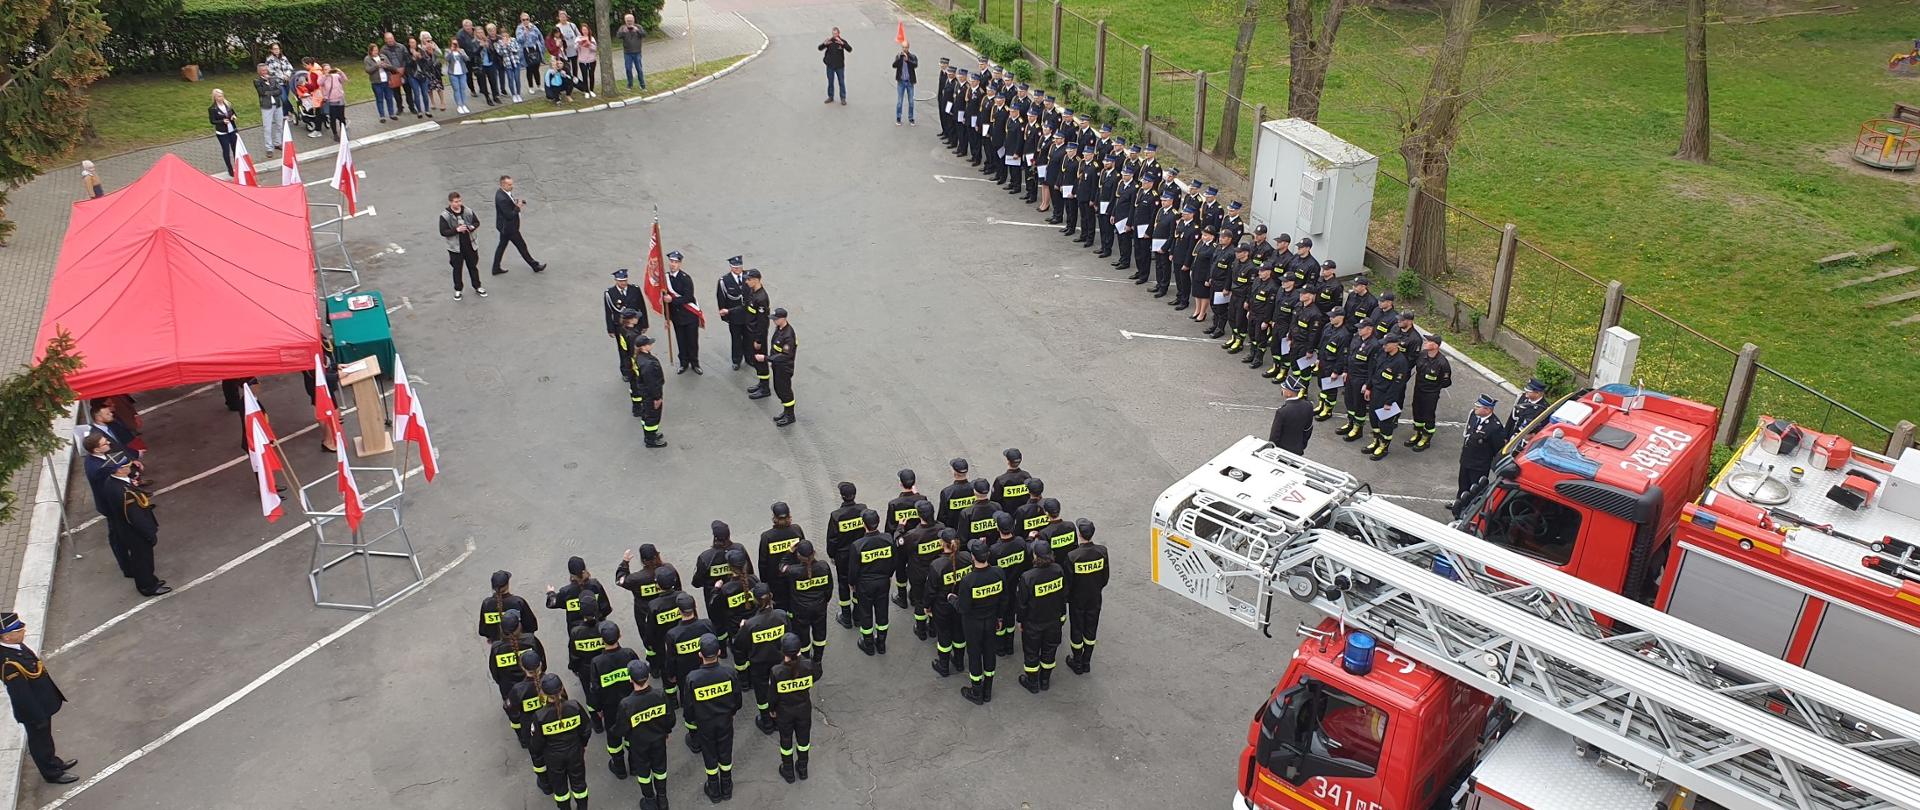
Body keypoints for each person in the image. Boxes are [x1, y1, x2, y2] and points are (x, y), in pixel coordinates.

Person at [0, 613, 76, 784]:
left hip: (41, 703)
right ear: (7, 636)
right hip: (34, 711)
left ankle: (54, 762)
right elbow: (21, 696)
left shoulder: (15, 646)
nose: (24, 631)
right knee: (39, 742)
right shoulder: (8, 663)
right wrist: (37, 717)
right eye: (19, 630)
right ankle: (51, 773)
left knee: (45, 738)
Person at [101, 452, 168, 597]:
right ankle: (148, 587)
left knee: (140, 559)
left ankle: (150, 580)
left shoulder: (111, 482)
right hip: (134, 532)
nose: (130, 466)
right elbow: (136, 518)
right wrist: (149, 533)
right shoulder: (124, 492)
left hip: (125, 529)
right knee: (143, 560)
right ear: (119, 470)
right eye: (126, 465)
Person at [683, 634, 740, 802]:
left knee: (709, 754)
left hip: (705, 723)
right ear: (719, 651)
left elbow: (689, 707)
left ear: (700, 654)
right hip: (725, 721)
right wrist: (732, 712)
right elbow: (737, 698)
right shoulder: (729, 673)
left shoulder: (693, 678)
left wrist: (693, 721)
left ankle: (714, 788)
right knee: (725, 752)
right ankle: (727, 786)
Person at [613, 659, 674, 810]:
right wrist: (665, 732)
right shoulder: (660, 695)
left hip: (639, 746)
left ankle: (650, 800)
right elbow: (670, 719)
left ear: (630, 679)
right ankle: (662, 799)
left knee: (644, 774)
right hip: (659, 741)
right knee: (660, 770)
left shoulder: (627, 704)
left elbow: (621, 729)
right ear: (647, 676)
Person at [528, 672, 592, 810]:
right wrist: (583, 744)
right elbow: (586, 728)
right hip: (575, 751)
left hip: (553, 757)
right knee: (579, 783)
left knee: (560, 788)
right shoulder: (574, 706)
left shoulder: (540, 716)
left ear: (543, 693)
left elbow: (536, 743)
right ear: (562, 689)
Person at [950, 538, 1003, 704]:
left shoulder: (968, 580)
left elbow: (963, 607)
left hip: (973, 624)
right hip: (991, 619)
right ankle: (987, 690)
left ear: (973, 557)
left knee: (974, 656)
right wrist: (1000, 617)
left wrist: (952, 598)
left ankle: (976, 691)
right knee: (989, 653)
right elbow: (1004, 598)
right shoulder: (998, 573)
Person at [731, 583, 787, 733]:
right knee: (780, 688)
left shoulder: (751, 624)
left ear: (755, 601)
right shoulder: (781, 616)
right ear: (771, 597)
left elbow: (738, 644)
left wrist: (742, 628)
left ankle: (767, 722)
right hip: (779, 661)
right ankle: (780, 715)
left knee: (762, 694)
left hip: (759, 664)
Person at [588, 621, 642, 775]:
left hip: (610, 707)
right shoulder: (629, 654)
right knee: (632, 734)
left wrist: (597, 709)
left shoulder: (597, 662)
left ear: (602, 640)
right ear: (620, 635)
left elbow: (595, 689)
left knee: (613, 737)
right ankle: (634, 766)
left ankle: (619, 767)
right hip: (631, 704)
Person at [1015, 540, 1067, 693]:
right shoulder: (1058, 570)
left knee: (1031, 654)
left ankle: (1032, 683)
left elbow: (1022, 604)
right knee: (1049, 651)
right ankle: (1045, 680)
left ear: (1035, 556)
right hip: (1053, 620)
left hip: (1033, 623)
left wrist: (1020, 621)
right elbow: (1063, 595)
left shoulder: (1028, 577)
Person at [768, 634, 815, 784]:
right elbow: (817, 674)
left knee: (786, 741)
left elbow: (773, 695)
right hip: (804, 710)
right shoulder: (808, 666)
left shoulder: (777, 671)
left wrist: (772, 709)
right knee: (803, 741)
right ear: (799, 650)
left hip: (784, 713)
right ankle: (803, 769)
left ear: (783, 651)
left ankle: (788, 771)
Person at [848, 510, 896, 655]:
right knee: (882, 612)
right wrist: (888, 575)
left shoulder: (858, 545)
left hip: (864, 584)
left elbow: (853, 569)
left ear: (864, 524)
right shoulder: (888, 539)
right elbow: (894, 561)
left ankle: (868, 644)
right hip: (883, 581)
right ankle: (881, 644)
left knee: (866, 613)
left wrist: (852, 583)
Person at [779, 540, 832, 669]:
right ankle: (818, 660)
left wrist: (789, 552)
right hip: (819, 607)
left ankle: (806, 659)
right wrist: (823, 602)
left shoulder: (793, 571)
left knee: (803, 635)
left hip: (800, 610)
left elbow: (781, 567)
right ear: (814, 553)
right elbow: (829, 588)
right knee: (820, 635)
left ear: (798, 556)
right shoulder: (823, 567)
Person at [1455, 394, 1507, 517]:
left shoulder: (1495, 427)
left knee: (1475, 490)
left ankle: (1469, 512)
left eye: (1478, 406)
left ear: (1488, 409)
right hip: (1467, 459)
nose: (1475, 408)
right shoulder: (1474, 415)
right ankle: (1459, 504)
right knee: (1463, 485)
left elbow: (1497, 449)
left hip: (1479, 465)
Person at [823, 482, 865, 629]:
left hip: (843, 555)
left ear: (842, 496)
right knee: (858, 582)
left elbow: (832, 539)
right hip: (860, 552)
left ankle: (846, 616)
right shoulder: (863, 509)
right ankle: (858, 615)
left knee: (843, 584)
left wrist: (832, 555)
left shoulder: (836, 516)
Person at [1364, 336, 1412, 461]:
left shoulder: (1401, 362)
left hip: (1387, 396)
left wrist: (1388, 402)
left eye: (1386, 344)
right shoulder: (1383, 354)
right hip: (1376, 391)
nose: (1384, 346)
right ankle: (1376, 441)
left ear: (1395, 345)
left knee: (1385, 424)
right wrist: (1369, 387)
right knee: (1373, 419)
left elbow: (1397, 385)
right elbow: (1374, 372)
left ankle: (1383, 446)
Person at [925, 529, 966, 677]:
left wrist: (927, 606)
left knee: (944, 635)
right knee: (959, 633)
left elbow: (931, 590)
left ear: (942, 543)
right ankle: (959, 662)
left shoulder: (937, 565)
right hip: (960, 604)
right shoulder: (967, 558)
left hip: (942, 607)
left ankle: (943, 666)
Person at [1407, 334, 1454, 451]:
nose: (1425, 342)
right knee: (1417, 411)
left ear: (1435, 346)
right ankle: (1418, 433)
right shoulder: (1422, 355)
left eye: (1429, 341)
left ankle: (1426, 438)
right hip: (1418, 389)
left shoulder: (1442, 363)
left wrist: (1434, 387)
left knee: (1428, 414)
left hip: (1431, 393)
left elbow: (1446, 382)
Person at [493, 175, 547, 275]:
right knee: (522, 246)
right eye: (509, 185)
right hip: (509, 228)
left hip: (504, 228)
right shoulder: (502, 198)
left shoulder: (502, 193)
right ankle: (535, 266)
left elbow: (509, 203)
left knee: (501, 246)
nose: (512, 186)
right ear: (503, 184)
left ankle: (495, 268)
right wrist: (518, 207)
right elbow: (509, 215)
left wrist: (515, 202)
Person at [756, 502, 805, 611]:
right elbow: (803, 551)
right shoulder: (796, 530)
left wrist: (765, 584)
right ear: (789, 516)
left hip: (775, 581)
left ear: (774, 517)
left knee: (780, 608)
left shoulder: (767, 537)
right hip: (795, 575)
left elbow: (763, 563)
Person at [488, 609, 547, 698]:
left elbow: (494, 671)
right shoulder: (531, 640)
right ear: (519, 626)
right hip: (534, 684)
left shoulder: (497, 648)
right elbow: (542, 660)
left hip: (508, 687)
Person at [439, 192, 486, 300]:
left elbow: (476, 222)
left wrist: (471, 227)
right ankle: (458, 289)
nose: (459, 203)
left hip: (470, 245)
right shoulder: (445, 216)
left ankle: (477, 286)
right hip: (455, 248)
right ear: (450, 202)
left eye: (460, 201)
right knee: (457, 269)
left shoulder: (468, 211)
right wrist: (456, 230)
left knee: (473, 267)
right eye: (456, 202)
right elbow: (443, 231)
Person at [662, 251, 701, 374]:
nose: (673, 264)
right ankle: (683, 363)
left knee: (692, 341)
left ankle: (695, 363)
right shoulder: (665, 279)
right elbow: (664, 301)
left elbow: (688, 297)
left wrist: (672, 299)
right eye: (671, 262)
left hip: (689, 316)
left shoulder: (685, 278)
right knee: (681, 341)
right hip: (676, 317)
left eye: (676, 262)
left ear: (680, 264)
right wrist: (666, 319)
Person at [548, 555, 613, 628]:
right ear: (584, 570)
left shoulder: (566, 592)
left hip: (576, 629)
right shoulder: (595, 585)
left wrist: (551, 593)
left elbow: (552, 603)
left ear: (571, 574)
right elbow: (606, 608)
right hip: (597, 626)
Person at [605, 269, 647, 378]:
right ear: (615, 280)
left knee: (637, 348)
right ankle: (626, 372)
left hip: (635, 325)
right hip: (621, 327)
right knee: (624, 350)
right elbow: (609, 312)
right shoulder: (610, 293)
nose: (623, 283)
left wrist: (645, 324)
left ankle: (638, 368)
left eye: (625, 280)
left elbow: (642, 307)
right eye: (620, 281)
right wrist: (610, 329)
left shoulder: (635, 290)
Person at [480, 569, 540, 644]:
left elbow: (483, 630)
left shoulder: (486, 604)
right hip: (521, 644)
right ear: (507, 584)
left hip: (499, 646)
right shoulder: (518, 602)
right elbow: (531, 625)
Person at [629, 335, 667, 448]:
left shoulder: (639, 357)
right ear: (644, 347)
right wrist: (657, 398)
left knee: (647, 415)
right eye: (649, 344)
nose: (651, 345)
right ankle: (650, 439)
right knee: (653, 416)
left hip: (644, 392)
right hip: (651, 394)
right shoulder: (648, 363)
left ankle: (650, 435)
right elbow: (652, 383)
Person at [763, 308, 798, 426]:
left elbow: (785, 356)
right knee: (778, 389)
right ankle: (786, 412)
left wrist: (767, 358)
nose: (774, 321)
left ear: (783, 319)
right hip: (777, 366)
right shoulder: (779, 329)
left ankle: (790, 415)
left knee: (785, 391)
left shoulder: (788, 336)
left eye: (776, 319)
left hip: (784, 368)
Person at [715, 256, 749, 371]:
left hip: (749, 315)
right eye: (735, 267)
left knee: (749, 338)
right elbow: (721, 299)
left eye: (739, 267)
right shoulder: (724, 281)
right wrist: (725, 317)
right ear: (731, 267)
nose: (738, 269)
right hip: (734, 317)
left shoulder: (748, 276)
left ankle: (749, 358)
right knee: (736, 339)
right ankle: (736, 360)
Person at [740, 270, 771, 395]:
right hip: (751, 331)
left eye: (748, 279)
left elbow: (763, 323)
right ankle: (761, 383)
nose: (746, 282)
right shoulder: (753, 292)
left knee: (760, 360)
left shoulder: (762, 298)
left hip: (758, 335)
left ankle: (765, 389)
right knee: (756, 360)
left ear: (756, 280)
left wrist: (758, 340)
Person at [1269, 377, 1314, 455]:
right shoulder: (1308, 405)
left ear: (1289, 393)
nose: (1282, 390)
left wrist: (1272, 450)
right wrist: (1302, 445)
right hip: (1298, 449)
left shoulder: (1282, 411)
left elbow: (1275, 435)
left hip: (1281, 451)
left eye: (1284, 388)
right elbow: (1308, 428)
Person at [253, 64, 285, 157]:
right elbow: (262, 92)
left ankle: (278, 143)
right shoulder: (257, 81)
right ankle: (269, 148)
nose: (265, 72)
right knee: (267, 128)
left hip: (277, 105)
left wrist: (270, 91)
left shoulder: (273, 79)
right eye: (263, 70)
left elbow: (280, 91)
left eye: (266, 70)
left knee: (279, 125)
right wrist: (271, 88)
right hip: (267, 106)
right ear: (259, 72)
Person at [935, 458, 974, 531]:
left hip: (953, 531)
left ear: (954, 472)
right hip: (970, 530)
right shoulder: (975, 489)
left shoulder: (947, 492)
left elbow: (942, 517)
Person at [364, 43, 399, 123]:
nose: (376, 52)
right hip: (376, 82)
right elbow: (368, 70)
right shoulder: (367, 59)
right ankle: (382, 116)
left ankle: (392, 114)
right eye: (374, 50)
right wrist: (377, 66)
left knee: (389, 98)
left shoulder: (383, 57)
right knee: (379, 99)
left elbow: (391, 67)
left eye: (377, 50)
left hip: (386, 80)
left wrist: (385, 65)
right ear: (370, 51)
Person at [208, 89, 239, 176]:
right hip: (222, 133)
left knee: (235, 149)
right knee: (226, 150)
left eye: (222, 95)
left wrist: (233, 117)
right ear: (215, 97)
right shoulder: (212, 109)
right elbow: (212, 121)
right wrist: (222, 121)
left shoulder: (228, 105)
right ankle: (230, 169)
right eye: (219, 96)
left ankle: (238, 166)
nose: (221, 98)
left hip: (232, 130)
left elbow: (234, 114)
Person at [818, 28, 850, 104]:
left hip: (840, 67)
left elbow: (850, 49)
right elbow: (820, 48)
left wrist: (842, 43)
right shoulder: (830, 41)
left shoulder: (842, 42)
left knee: (841, 82)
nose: (834, 35)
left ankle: (843, 98)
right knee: (830, 82)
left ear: (839, 33)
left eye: (835, 34)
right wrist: (824, 44)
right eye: (833, 33)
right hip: (830, 66)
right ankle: (830, 97)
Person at [616, 14, 647, 89]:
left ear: (633, 20)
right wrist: (623, 32)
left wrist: (637, 30)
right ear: (625, 21)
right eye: (627, 21)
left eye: (630, 21)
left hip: (637, 52)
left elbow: (644, 34)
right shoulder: (623, 28)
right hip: (627, 53)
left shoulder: (638, 27)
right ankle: (630, 84)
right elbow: (618, 36)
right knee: (628, 69)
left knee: (639, 69)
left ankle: (642, 85)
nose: (629, 22)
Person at [496, 28, 526, 104]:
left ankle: (518, 94)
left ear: (508, 34)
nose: (505, 36)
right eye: (503, 35)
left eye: (506, 34)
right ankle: (513, 95)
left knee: (517, 79)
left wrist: (508, 45)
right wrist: (504, 45)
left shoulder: (513, 40)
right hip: (507, 63)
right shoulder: (499, 43)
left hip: (516, 62)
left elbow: (516, 50)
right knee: (510, 79)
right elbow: (500, 53)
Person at [891, 43, 918, 126]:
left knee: (911, 102)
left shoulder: (912, 56)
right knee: (899, 101)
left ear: (908, 47)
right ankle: (898, 117)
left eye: (906, 47)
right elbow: (894, 65)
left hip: (909, 81)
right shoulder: (899, 56)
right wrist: (900, 59)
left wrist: (908, 60)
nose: (904, 49)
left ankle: (911, 118)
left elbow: (915, 65)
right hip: (901, 82)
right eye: (903, 47)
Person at [517, 15, 547, 88]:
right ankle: (531, 87)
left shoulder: (533, 27)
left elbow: (539, 36)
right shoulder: (519, 28)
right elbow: (519, 40)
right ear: (521, 20)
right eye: (523, 20)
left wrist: (542, 47)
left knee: (536, 68)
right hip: (526, 50)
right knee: (529, 69)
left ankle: (538, 84)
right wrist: (525, 32)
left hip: (535, 49)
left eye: (527, 19)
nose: (525, 21)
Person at [321, 62, 348, 140]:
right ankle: (335, 134)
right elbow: (319, 83)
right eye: (326, 69)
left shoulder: (336, 76)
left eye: (329, 69)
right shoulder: (323, 77)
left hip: (340, 99)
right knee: (333, 118)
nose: (328, 70)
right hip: (331, 100)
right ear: (323, 71)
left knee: (342, 117)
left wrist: (340, 72)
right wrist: (325, 76)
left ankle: (343, 132)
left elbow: (344, 79)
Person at [445, 37, 472, 113]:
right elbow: (446, 59)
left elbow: (467, 59)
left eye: (456, 43)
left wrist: (461, 52)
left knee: (463, 89)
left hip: (462, 72)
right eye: (453, 43)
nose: (455, 45)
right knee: (456, 89)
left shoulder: (461, 50)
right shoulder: (448, 51)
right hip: (453, 73)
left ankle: (464, 105)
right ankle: (459, 105)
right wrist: (451, 51)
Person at [555, 10, 582, 77]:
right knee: (566, 66)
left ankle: (575, 77)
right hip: (564, 51)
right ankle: (568, 78)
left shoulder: (572, 25)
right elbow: (555, 37)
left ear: (567, 17)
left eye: (564, 16)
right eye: (561, 17)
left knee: (574, 64)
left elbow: (579, 35)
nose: (563, 18)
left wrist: (577, 43)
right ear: (559, 18)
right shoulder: (557, 26)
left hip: (573, 49)